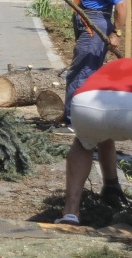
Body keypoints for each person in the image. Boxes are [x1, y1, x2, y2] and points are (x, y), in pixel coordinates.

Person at [56, 57, 132, 226]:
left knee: (84, 143)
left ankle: (70, 212)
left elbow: (105, 135)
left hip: (87, 104)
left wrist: (111, 183)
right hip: (128, 105)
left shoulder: (114, 66)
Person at [63, 0, 127, 127]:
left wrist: (117, 33)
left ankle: (76, 121)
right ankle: (79, 118)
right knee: (83, 71)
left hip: (94, 25)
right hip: (86, 24)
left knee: (80, 73)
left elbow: (121, 4)